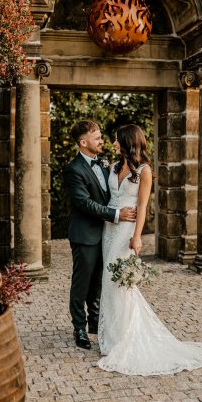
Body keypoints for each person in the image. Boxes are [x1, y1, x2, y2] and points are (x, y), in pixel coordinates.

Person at [98, 124, 202, 375]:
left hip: (127, 232)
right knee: (108, 281)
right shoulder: (115, 166)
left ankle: (126, 336)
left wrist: (137, 237)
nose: (113, 143)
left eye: (117, 140)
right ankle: (112, 335)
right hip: (110, 229)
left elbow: (142, 206)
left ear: (128, 141)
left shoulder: (144, 170)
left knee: (118, 281)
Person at [63, 120, 136, 350]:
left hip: (107, 235)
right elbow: (85, 204)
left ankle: (95, 322)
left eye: (101, 137)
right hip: (84, 234)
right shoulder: (73, 170)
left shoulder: (105, 163)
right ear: (83, 143)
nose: (102, 141)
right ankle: (80, 328)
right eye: (97, 138)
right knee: (81, 284)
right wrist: (116, 214)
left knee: (98, 282)